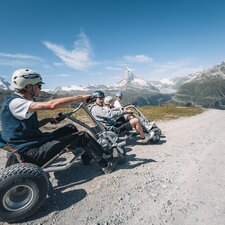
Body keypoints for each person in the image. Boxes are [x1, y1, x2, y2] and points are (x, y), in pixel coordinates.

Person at [0, 69, 118, 174]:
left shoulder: (20, 101)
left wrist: (48, 119)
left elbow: (29, 126)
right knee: (83, 136)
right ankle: (106, 162)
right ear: (29, 87)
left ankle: (87, 157)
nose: (41, 88)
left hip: (35, 142)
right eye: (39, 85)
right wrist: (79, 97)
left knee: (70, 127)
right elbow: (51, 105)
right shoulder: (16, 103)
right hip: (31, 152)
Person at [89, 90, 154, 143]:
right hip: (113, 129)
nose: (102, 100)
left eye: (102, 98)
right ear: (94, 98)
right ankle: (144, 138)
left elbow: (108, 113)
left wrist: (124, 112)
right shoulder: (96, 109)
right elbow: (109, 114)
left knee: (128, 116)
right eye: (100, 98)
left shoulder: (93, 107)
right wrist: (124, 111)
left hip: (111, 124)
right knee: (136, 120)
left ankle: (138, 131)